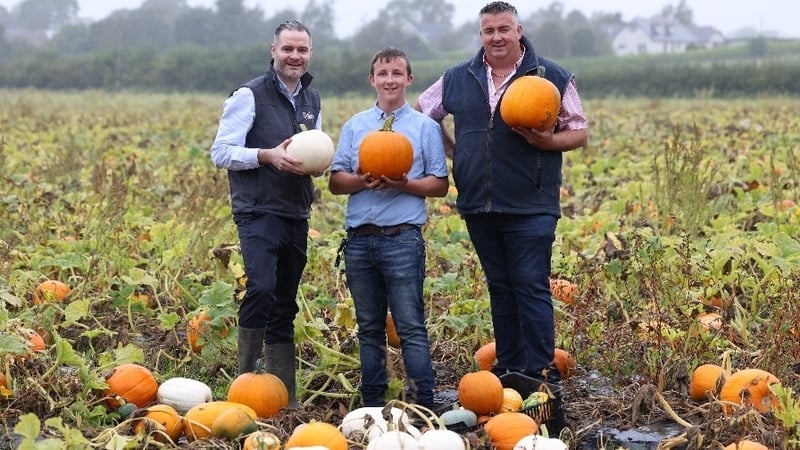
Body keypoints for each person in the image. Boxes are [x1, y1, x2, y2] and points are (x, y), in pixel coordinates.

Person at [415, 1, 589, 432]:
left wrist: (546, 142)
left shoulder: (549, 75)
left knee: (530, 285)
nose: (495, 37)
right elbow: (424, 111)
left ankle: (542, 379)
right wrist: (454, 151)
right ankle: (509, 368)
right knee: (500, 286)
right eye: (488, 30)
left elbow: (579, 130)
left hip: (531, 203)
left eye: (503, 29)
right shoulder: (460, 76)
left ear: (519, 31)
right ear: (481, 34)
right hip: (478, 202)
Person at [329, 46, 449, 408]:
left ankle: (422, 404)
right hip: (360, 241)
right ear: (372, 80)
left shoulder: (426, 128)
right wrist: (363, 181)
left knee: (410, 327)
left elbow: (439, 184)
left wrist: (402, 185)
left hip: (402, 240)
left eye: (397, 73)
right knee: (369, 329)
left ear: (409, 79)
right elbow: (335, 182)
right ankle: (373, 405)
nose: (390, 80)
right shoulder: (354, 126)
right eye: (383, 73)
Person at [210, 20, 322, 408]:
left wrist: (316, 166)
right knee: (260, 287)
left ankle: (284, 395)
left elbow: (313, 148)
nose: (295, 56)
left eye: (302, 50)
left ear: (309, 54)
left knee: (286, 301)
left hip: (296, 210)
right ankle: (246, 382)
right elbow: (221, 152)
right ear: (273, 50)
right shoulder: (249, 95)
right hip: (258, 209)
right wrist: (267, 155)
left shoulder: (312, 99)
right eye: (288, 49)